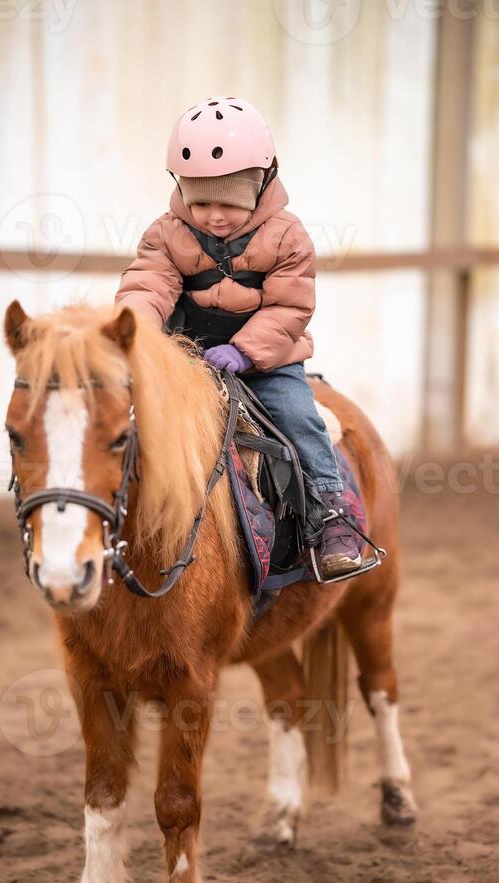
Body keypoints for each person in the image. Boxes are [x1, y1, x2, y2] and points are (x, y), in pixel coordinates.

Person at [115, 95, 361, 578]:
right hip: (187, 359)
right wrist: (134, 335)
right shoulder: (165, 235)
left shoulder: (288, 237)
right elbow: (148, 286)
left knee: (298, 417)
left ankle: (330, 514)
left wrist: (245, 351)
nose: (214, 216)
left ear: (262, 185)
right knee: (119, 419)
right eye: (200, 201)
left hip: (269, 359)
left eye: (228, 202)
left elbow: (290, 306)